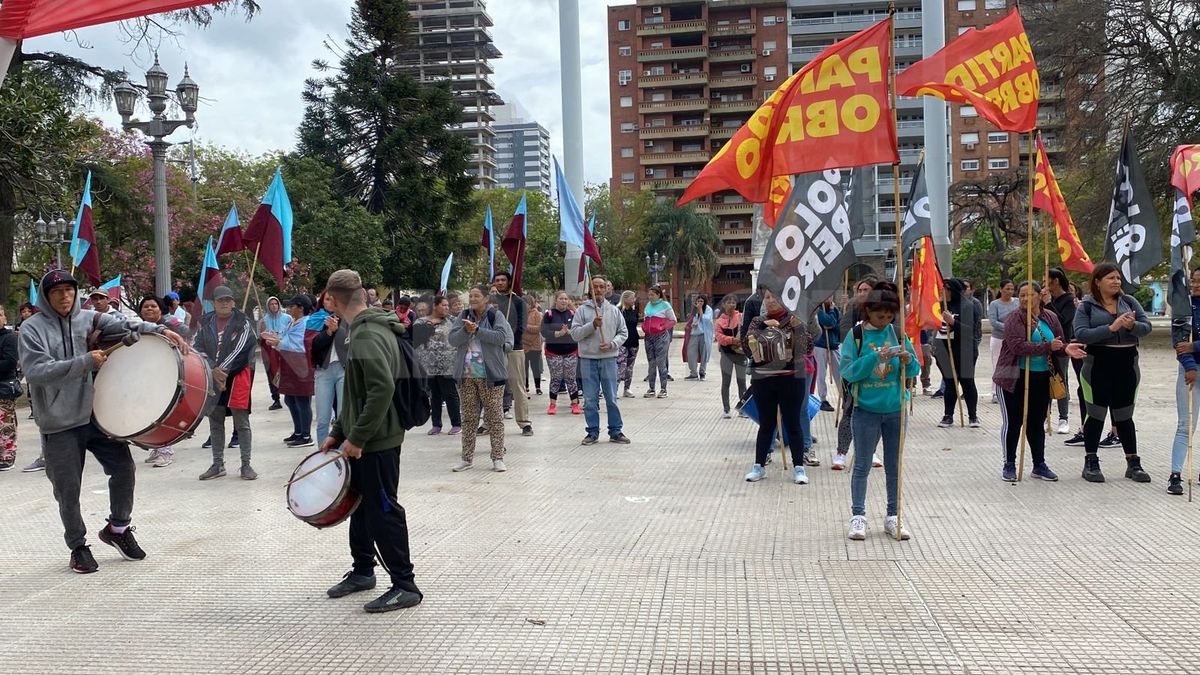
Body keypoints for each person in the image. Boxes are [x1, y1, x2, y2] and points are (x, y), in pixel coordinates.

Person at [20, 269, 189, 573]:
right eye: (57, 292)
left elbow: (126, 323)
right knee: (68, 490)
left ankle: (118, 529)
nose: (64, 296)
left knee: (124, 470)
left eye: (69, 290)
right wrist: (85, 362)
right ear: (45, 297)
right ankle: (77, 546)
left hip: (97, 416)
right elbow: (36, 371)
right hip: (59, 423)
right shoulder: (33, 329)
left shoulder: (89, 318)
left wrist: (160, 330)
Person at [319, 269, 422, 613]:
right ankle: (363, 570)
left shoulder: (365, 336)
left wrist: (358, 437)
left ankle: (405, 585)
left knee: (383, 509)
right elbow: (355, 392)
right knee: (361, 507)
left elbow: (381, 389)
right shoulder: (362, 329)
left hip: (377, 439)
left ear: (332, 299)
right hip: (365, 435)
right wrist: (337, 432)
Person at [840, 281, 918, 541]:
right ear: (868, 311)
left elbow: (915, 369)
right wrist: (876, 357)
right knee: (862, 464)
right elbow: (849, 372)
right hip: (865, 410)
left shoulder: (898, 332)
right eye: (879, 315)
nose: (885, 320)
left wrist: (909, 360)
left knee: (894, 466)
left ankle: (893, 515)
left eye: (889, 316)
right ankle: (858, 516)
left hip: (896, 408)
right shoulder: (857, 336)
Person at [1074, 262, 1152, 483]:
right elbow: (1081, 333)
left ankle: (1133, 462)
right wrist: (1111, 328)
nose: (1116, 282)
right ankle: (1091, 461)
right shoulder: (1086, 306)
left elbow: (1147, 327)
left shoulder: (1128, 301)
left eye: (1118, 278)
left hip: (1127, 363)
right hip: (1098, 363)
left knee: (1124, 415)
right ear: (1098, 282)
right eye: (1111, 278)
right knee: (1096, 413)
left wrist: (1131, 326)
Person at [993, 282, 1066, 483]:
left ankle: (1039, 464)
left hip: (1041, 378)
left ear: (1039, 296)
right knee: (1013, 422)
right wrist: (1047, 346)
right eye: (1022, 295)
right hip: (1012, 378)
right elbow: (1018, 346)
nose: (1025, 299)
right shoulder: (1014, 318)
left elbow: (1058, 343)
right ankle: (1009, 463)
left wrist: (1067, 349)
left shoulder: (1050, 317)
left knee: (1036, 423)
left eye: (1029, 295)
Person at [742, 288, 814, 484]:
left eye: (775, 297)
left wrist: (797, 327)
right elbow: (746, 346)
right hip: (763, 378)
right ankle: (759, 466)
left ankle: (799, 467)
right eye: (767, 297)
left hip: (791, 378)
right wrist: (761, 332)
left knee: (793, 423)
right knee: (766, 424)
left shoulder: (794, 319)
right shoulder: (757, 321)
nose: (771, 301)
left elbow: (807, 347)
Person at [194, 286, 258, 481]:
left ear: (233, 302)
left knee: (242, 423)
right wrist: (212, 369)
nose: (225, 303)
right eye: (220, 300)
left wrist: (222, 372)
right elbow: (198, 348)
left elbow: (242, 349)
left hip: (238, 375)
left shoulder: (243, 322)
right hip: (213, 376)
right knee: (215, 421)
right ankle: (217, 464)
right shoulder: (205, 323)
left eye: (228, 300)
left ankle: (246, 465)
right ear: (213, 303)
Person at [449, 284, 513, 472]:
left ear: (486, 299)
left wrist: (477, 330)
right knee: (468, 418)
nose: (472, 299)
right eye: (470, 296)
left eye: (476, 296)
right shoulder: (463, 316)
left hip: (490, 375)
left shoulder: (495, 316)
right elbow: (452, 340)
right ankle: (466, 459)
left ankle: (498, 457)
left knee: (495, 418)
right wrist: (465, 331)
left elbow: (501, 337)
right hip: (466, 375)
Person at [570, 275, 630, 445]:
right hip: (588, 359)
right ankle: (592, 431)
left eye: (601, 287)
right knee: (590, 399)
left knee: (611, 397)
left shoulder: (614, 311)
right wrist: (592, 326)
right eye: (595, 287)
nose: (598, 290)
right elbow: (575, 334)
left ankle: (615, 430)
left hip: (609, 359)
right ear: (590, 289)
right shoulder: (582, 311)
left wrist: (612, 344)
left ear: (606, 289)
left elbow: (623, 333)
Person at [136, 296, 190, 468]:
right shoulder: (140, 327)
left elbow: (188, 333)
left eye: (153, 306)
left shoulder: (170, 323)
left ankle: (166, 451)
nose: (149, 309)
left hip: (168, 372)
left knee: (164, 412)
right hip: (148, 373)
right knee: (151, 412)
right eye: (145, 306)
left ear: (161, 309)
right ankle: (158, 447)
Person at [834, 277, 878, 467]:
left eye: (866, 289)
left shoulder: (883, 309)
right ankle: (841, 452)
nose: (861, 293)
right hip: (854, 367)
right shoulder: (852, 307)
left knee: (874, 413)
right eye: (859, 290)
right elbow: (843, 331)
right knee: (850, 409)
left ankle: (871, 452)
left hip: (876, 370)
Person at [266, 295, 316, 448]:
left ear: (301, 308)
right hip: (289, 363)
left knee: (302, 400)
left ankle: (306, 435)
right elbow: (287, 339)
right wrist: (276, 340)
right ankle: (298, 431)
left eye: (293, 306)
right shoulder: (294, 322)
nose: (289, 308)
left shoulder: (305, 324)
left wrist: (279, 343)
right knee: (290, 399)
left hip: (300, 364)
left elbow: (299, 345)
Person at [933, 278, 982, 428]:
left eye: (945, 289)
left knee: (967, 382)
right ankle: (948, 415)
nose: (942, 292)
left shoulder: (967, 306)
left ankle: (973, 416)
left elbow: (970, 331)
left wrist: (953, 322)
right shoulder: (940, 306)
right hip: (945, 352)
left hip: (965, 351)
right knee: (950, 383)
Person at [1170, 268, 1200, 495]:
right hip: (1191, 371)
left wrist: (1196, 346)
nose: (1196, 285)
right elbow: (1180, 342)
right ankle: (1176, 474)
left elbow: (1191, 344)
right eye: (1194, 281)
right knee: (1185, 425)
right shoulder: (1184, 308)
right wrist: (1189, 364)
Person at [491, 272, 533, 437]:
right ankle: (488, 422)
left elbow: (521, 327)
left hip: (514, 349)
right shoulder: (489, 302)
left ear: (509, 282)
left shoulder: (517, 301)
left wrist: (507, 342)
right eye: (497, 280)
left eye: (503, 280)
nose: (500, 283)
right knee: (491, 388)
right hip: (492, 350)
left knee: (518, 386)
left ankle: (524, 423)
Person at [413, 296, 461, 435]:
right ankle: (436, 424)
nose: (446, 308)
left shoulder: (452, 320)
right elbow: (415, 338)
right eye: (444, 305)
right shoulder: (421, 321)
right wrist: (429, 325)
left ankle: (456, 423)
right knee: (435, 395)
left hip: (448, 364)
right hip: (429, 365)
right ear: (435, 306)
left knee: (450, 394)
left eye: (447, 305)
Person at [1043, 268, 1079, 438]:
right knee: (1045, 379)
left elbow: (1063, 321)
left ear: (1055, 281)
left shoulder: (1069, 300)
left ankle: (1063, 418)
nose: (1044, 283)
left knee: (1060, 378)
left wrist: (1049, 303)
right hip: (1044, 343)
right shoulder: (1045, 299)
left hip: (1062, 345)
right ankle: (1045, 415)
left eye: (1047, 279)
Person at [311, 291, 350, 444]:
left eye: (333, 299)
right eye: (327, 299)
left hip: (343, 369)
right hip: (324, 371)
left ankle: (341, 457)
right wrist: (328, 332)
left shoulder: (348, 319)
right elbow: (313, 346)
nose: (330, 302)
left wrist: (338, 329)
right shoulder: (315, 319)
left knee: (342, 416)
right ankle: (322, 456)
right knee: (322, 418)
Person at [542, 291, 581, 415]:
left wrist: (570, 332)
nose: (564, 301)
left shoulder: (573, 314)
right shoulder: (549, 314)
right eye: (561, 298)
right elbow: (543, 331)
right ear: (556, 300)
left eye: (566, 298)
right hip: (553, 351)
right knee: (556, 378)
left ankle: (575, 403)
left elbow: (579, 330)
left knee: (571, 378)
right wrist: (557, 334)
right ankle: (553, 404)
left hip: (571, 350)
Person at [713, 294, 747, 419]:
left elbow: (747, 331)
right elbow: (720, 338)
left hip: (740, 355)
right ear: (723, 304)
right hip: (726, 355)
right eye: (729, 302)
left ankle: (743, 409)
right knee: (726, 382)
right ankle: (726, 409)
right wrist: (732, 340)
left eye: (734, 302)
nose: (732, 305)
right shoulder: (719, 321)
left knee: (742, 382)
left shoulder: (741, 317)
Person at [986, 280, 1018, 403]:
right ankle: (995, 392)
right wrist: (1009, 327)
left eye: (1011, 289)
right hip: (999, 338)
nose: (1009, 291)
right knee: (998, 364)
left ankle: (1011, 389)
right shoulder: (995, 304)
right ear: (1001, 289)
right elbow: (993, 322)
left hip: (1014, 339)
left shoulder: (1017, 302)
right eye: (1007, 289)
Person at [642, 286, 677, 398]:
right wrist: (644, 326)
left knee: (661, 362)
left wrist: (662, 327)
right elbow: (645, 318)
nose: (650, 297)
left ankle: (663, 389)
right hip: (649, 336)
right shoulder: (648, 305)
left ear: (658, 295)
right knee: (651, 363)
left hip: (661, 336)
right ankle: (651, 388)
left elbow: (673, 320)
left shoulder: (665, 305)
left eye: (652, 294)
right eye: (649, 294)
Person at [258, 296, 288, 411]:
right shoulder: (263, 320)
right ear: (268, 306)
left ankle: (290, 395)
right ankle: (276, 399)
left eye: (276, 303)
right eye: (271, 304)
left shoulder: (287, 318)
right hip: (269, 352)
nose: (274, 306)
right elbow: (259, 339)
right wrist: (262, 331)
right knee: (271, 373)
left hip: (284, 350)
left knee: (286, 372)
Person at [814, 298, 842, 411]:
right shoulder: (818, 309)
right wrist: (830, 320)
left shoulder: (834, 309)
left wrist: (831, 320)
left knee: (840, 372)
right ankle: (823, 399)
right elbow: (829, 322)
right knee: (821, 373)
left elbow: (837, 325)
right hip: (820, 344)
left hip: (833, 344)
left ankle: (845, 397)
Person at [0, 307, 18, 471]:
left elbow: (9, 362)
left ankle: (7, 457)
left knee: (5, 424)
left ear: (4, 318)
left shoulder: (9, 338)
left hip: (4, 387)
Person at [616, 291, 641, 399]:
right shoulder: (619, 311)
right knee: (620, 366)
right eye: (632, 298)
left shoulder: (634, 311)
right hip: (622, 342)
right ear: (626, 299)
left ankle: (627, 388)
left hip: (633, 340)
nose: (634, 300)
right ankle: (615, 388)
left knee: (629, 367)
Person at [684, 295, 714, 380]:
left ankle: (702, 372)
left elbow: (706, 320)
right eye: (698, 301)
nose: (700, 303)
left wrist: (700, 309)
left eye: (702, 301)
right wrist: (692, 324)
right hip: (694, 334)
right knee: (691, 353)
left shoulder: (708, 309)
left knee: (704, 354)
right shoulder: (694, 309)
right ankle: (693, 372)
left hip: (704, 334)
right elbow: (692, 319)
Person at [522, 293, 545, 397]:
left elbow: (539, 328)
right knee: (524, 367)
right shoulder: (520, 314)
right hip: (523, 345)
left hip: (535, 345)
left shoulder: (537, 314)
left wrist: (526, 327)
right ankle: (526, 386)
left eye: (526, 303)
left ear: (530, 304)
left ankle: (538, 386)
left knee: (535, 367)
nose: (525, 305)